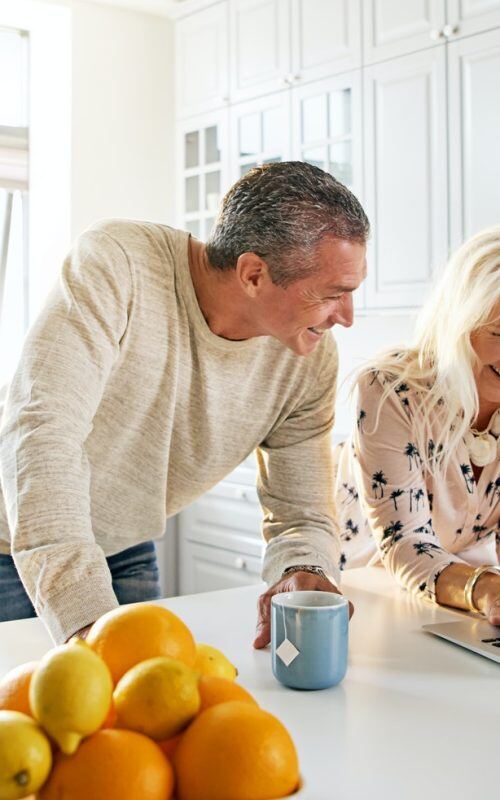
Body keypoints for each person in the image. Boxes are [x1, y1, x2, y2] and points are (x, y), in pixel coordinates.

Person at [0, 161, 368, 646]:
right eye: (332, 294)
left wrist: (305, 566)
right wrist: (86, 618)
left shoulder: (308, 360)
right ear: (254, 274)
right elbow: (42, 431)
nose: (347, 317)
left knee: (140, 712)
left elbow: (301, 511)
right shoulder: (119, 263)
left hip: (126, 546)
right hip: (11, 543)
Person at [334, 225, 500, 624]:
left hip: (461, 600)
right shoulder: (390, 391)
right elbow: (406, 542)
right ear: (459, 324)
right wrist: (484, 588)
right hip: (365, 595)